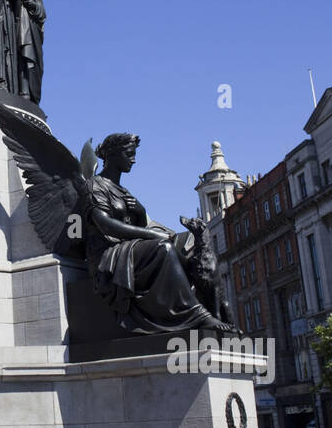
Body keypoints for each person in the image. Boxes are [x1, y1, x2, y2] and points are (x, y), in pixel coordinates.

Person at [78, 134, 231, 334]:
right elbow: (106, 225)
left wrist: (141, 213)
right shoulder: (94, 185)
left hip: (128, 250)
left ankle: (202, 313)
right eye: (129, 154)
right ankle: (195, 315)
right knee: (163, 248)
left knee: (186, 257)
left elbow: (138, 227)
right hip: (107, 256)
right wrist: (152, 236)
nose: (133, 159)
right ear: (113, 155)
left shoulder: (123, 191)